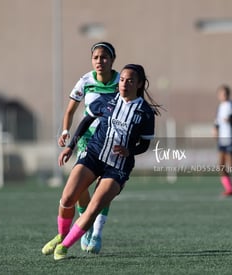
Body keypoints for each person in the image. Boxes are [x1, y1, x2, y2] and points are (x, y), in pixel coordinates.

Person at [43, 64, 160, 261]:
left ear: (139, 84)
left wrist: (129, 150)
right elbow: (86, 121)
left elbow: (145, 145)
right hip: (93, 155)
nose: (124, 83)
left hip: (118, 167)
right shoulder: (107, 101)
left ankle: (64, 246)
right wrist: (70, 146)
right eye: (122, 79)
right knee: (67, 198)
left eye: (130, 80)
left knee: (94, 207)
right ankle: (61, 235)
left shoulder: (145, 113)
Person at [57, 42, 119, 253]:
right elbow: (70, 111)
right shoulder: (85, 81)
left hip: (112, 140)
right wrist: (65, 132)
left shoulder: (122, 82)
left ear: (112, 60)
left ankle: (98, 233)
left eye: (104, 57)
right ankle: (87, 225)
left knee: (103, 188)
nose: (99, 61)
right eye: (95, 58)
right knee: (80, 187)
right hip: (87, 140)